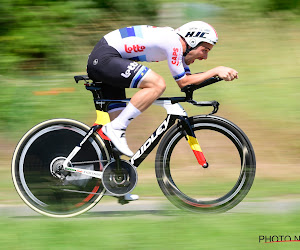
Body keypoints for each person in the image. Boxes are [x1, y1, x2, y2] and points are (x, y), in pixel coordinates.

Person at [87, 21, 238, 201]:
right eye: (204, 50)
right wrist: (216, 70)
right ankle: (115, 128)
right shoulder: (174, 43)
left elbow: (188, 80)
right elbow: (183, 83)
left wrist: (214, 76)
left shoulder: (178, 47)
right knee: (157, 84)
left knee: (114, 136)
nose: (204, 57)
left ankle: (116, 183)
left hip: (111, 60)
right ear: (192, 41)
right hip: (106, 58)